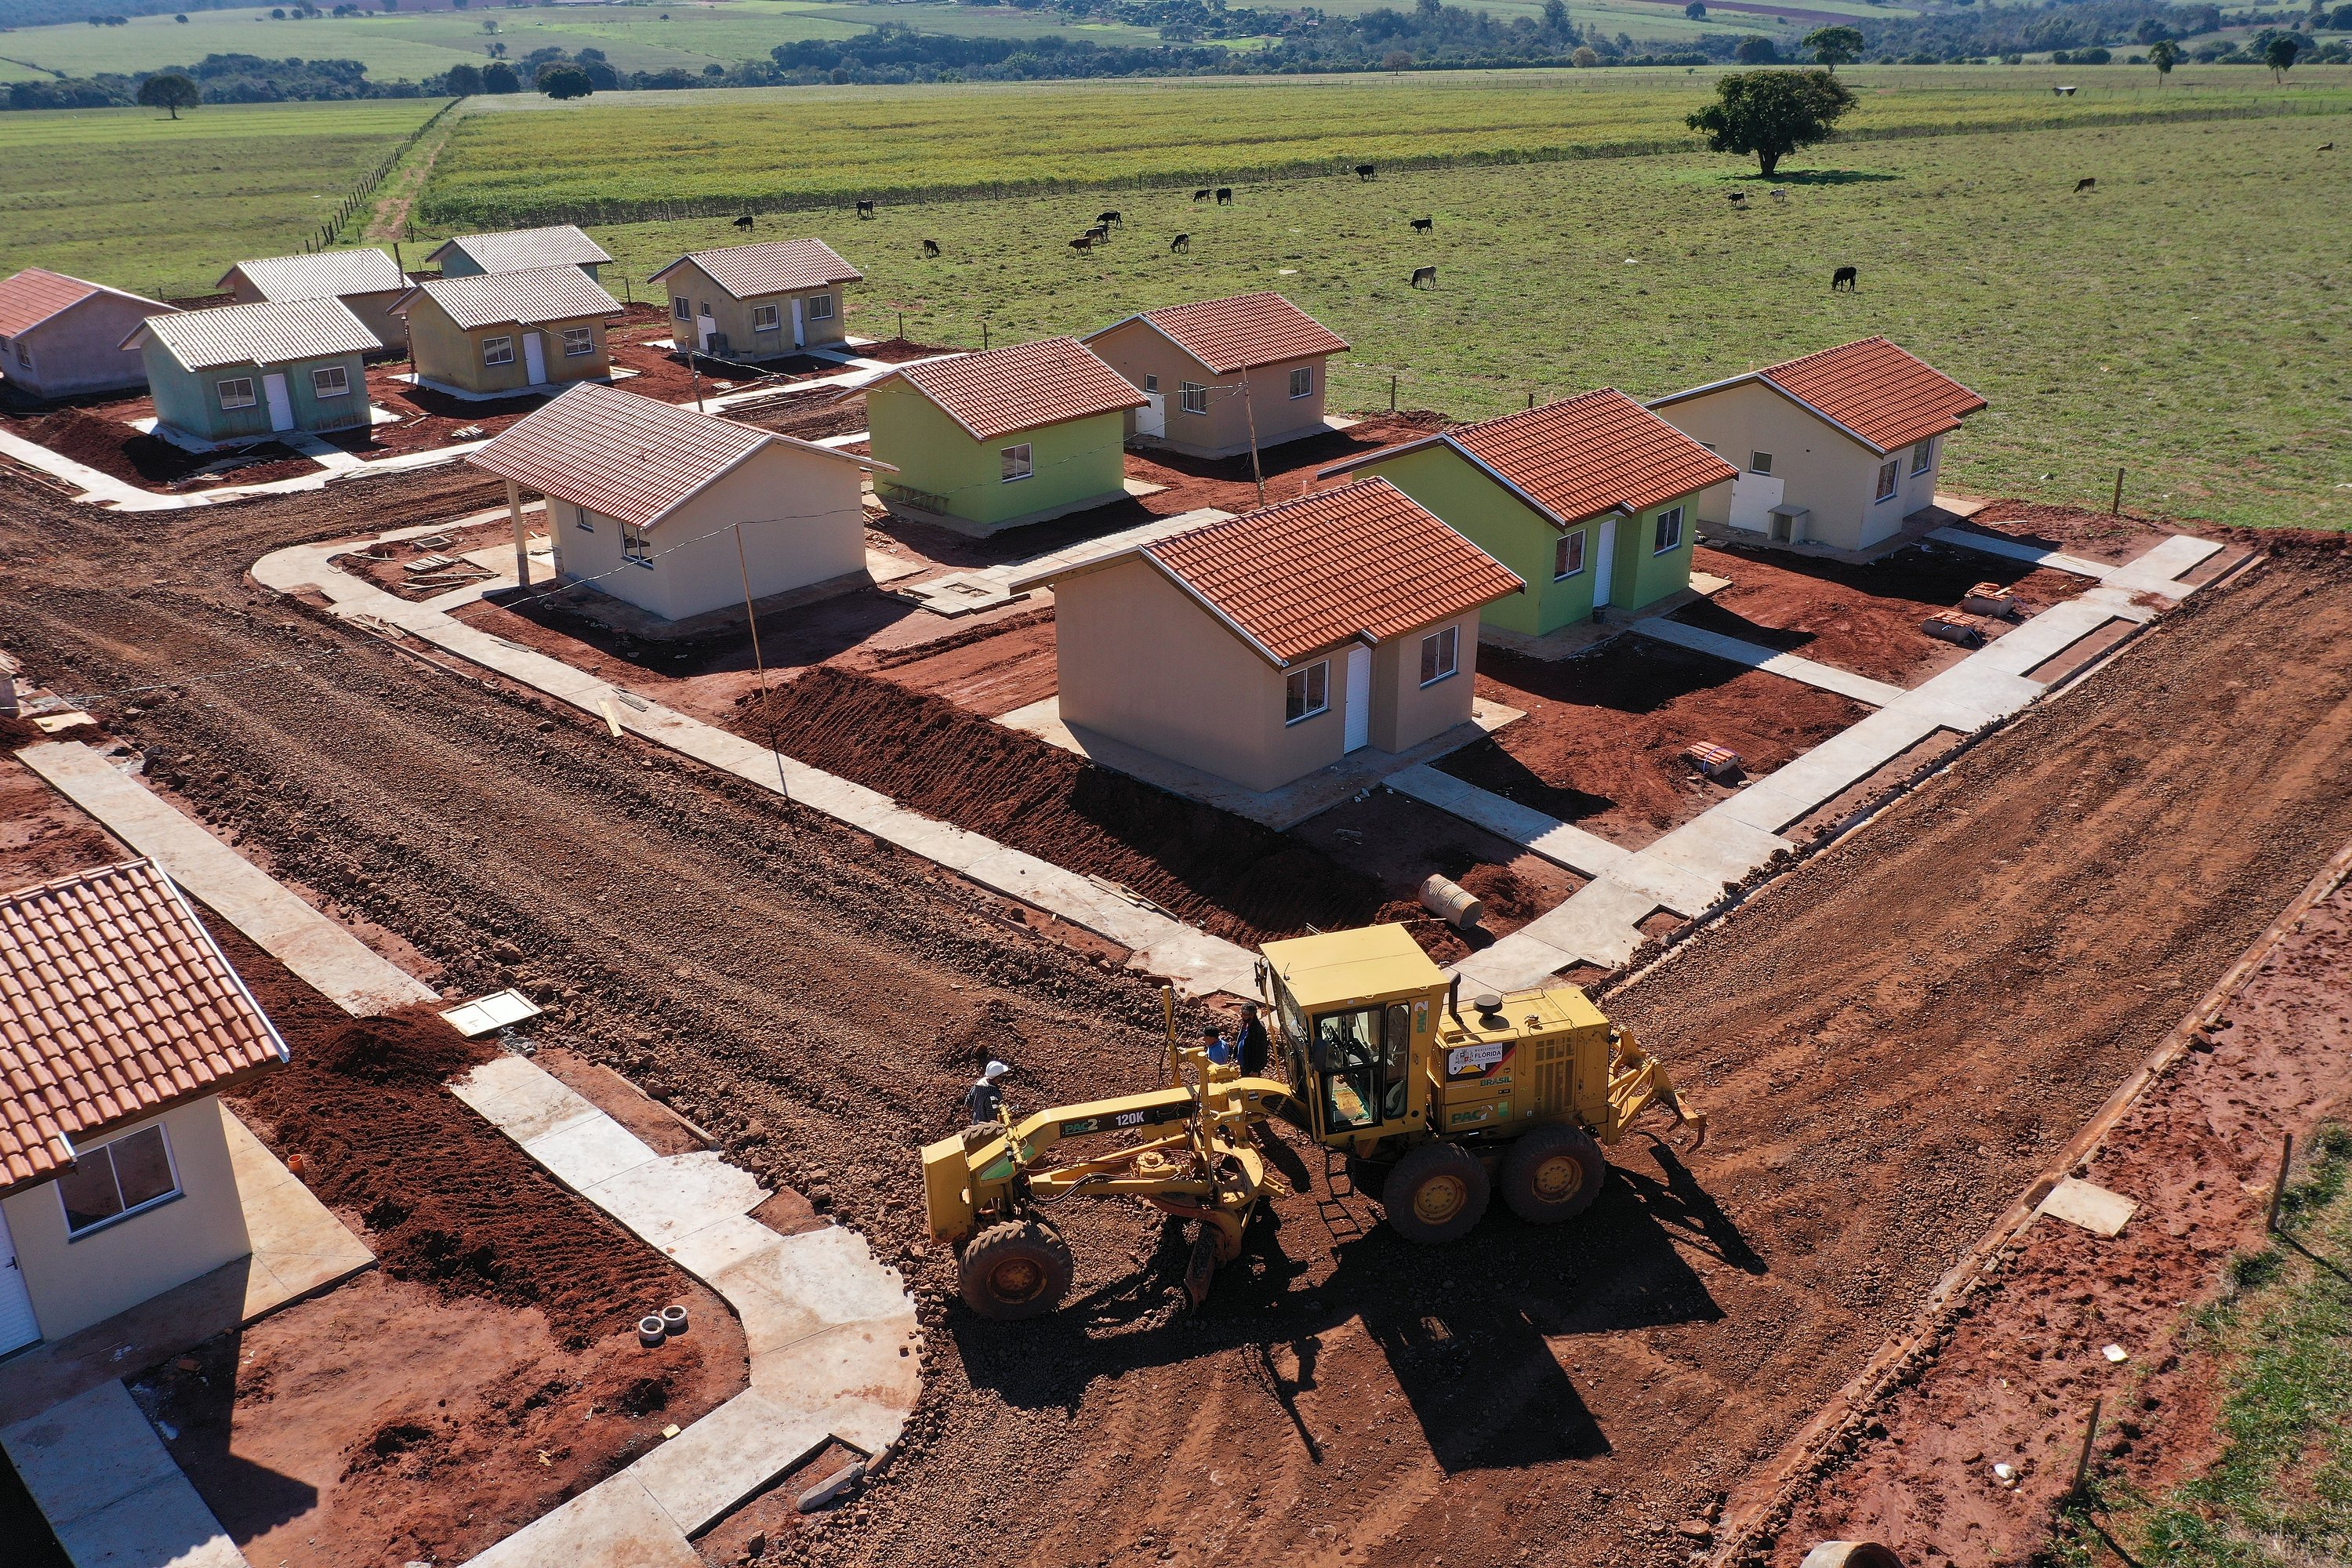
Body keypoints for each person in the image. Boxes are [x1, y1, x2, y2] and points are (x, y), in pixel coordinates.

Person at [964, 1060, 1011, 1126]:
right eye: (1001, 1076)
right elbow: (994, 1118)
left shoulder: (979, 1085)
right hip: (985, 1127)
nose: (1002, 1079)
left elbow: (969, 1101)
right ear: (996, 1078)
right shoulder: (992, 1096)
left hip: (976, 1120)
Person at [1236, 1003, 1272, 1079]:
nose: (1242, 1017)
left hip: (1251, 1068)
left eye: (1245, 1015)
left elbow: (1261, 1052)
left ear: (1252, 1015)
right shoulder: (1244, 1024)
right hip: (1244, 1064)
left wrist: (1255, 1070)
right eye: (1241, 1014)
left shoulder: (1258, 1030)